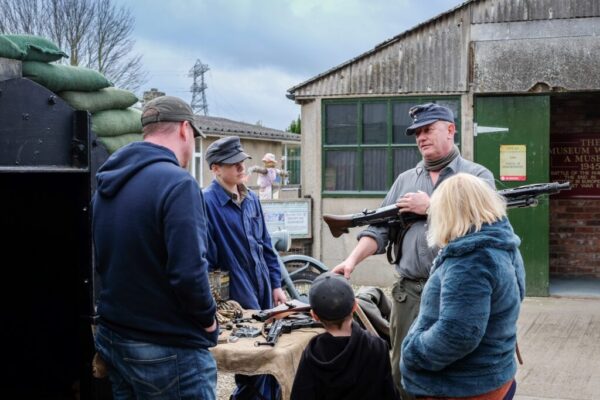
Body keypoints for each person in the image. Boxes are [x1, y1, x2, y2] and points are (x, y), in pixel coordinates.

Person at [332, 103, 495, 398]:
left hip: (457, 290)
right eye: (417, 132)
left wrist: (431, 207)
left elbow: (488, 230)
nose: (421, 137)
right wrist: (350, 261)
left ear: (450, 129)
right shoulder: (405, 180)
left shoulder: (476, 177)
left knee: (455, 368)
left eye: (428, 129)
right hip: (410, 294)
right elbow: (380, 229)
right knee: (402, 371)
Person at [92, 96, 219, 400]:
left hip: (115, 337)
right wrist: (208, 318)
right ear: (185, 129)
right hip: (166, 347)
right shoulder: (178, 184)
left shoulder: (108, 184)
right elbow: (188, 273)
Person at [401, 173, 524, 399]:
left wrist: (412, 353)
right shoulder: (502, 244)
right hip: (494, 377)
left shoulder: (470, 260)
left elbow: (458, 334)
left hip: (465, 387)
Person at [203, 136, 287, 400]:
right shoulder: (205, 202)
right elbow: (206, 257)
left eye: (242, 162)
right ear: (215, 168)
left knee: (270, 358)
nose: (241, 168)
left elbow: (265, 245)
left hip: (262, 288)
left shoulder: (250, 199)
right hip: (235, 293)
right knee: (252, 363)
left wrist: (276, 284)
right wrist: (219, 303)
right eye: (233, 164)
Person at [290, 272, 398, 400]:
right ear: (355, 306)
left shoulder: (313, 354)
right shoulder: (378, 347)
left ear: (314, 316)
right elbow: (390, 394)